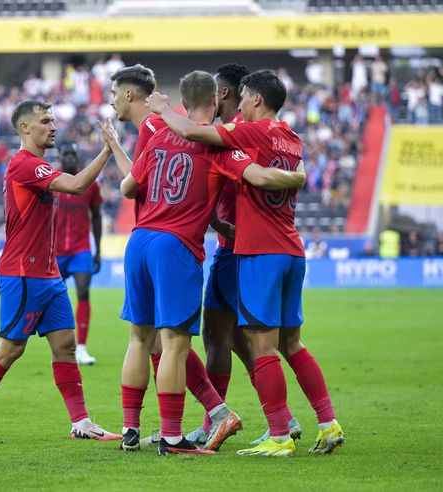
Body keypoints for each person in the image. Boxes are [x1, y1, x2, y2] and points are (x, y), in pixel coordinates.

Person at [147, 69, 344, 457]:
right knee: (290, 343)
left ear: (252, 99)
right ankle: (327, 421)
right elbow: (285, 175)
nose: (236, 105)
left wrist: (164, 109)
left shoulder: (249, 132)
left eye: (241, 98)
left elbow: (194, 135)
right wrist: (297, 177)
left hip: (255, 251)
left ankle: (279, 432)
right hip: (290, 248)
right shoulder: (292, 138)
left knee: (259, 345)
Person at [111, 70, 306, 456]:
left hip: (140, 240)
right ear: (215, 102)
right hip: (177, 246)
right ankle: (172, 437)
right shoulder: (217, 146)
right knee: (173, 344)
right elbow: (260, 177)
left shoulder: (159, 134)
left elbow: (129, 187)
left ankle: (130, 430)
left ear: (182, 101)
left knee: (139, 338)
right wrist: (296, 177)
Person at [0, 100, 120, 441]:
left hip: (48, 274)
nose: (53, 126)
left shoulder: (39, 165)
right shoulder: (24, 165)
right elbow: (75, 186)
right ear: (25, 128)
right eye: (45, 121)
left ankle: (81, 422)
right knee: (11, 349)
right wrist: (107, 150)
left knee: (66, 346)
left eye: (54, 120)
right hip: (22, 274)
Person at [54, 141, 103, 366]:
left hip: (81, 249)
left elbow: (97, 216)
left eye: (74, 154)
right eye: (67, 154)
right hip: (55, 251)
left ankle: (81, 348)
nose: (71, 158)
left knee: (83, 292)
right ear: (60, 157)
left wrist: (98, 250)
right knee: (52, 296)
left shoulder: (90, 184)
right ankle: (60, 346)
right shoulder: (52, 181)